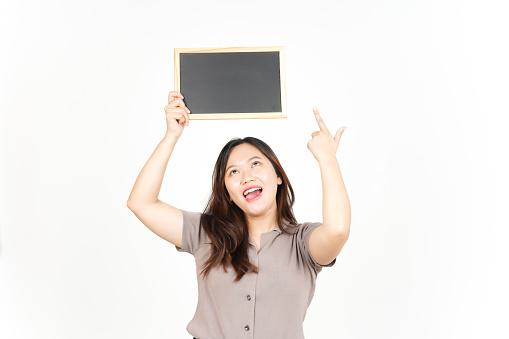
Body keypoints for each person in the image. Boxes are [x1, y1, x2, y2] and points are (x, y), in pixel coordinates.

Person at [127, 91, 351, 339]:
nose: (246, 177)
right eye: (233, 172)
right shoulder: (205, 232)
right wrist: (171, 136)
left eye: (255, 164)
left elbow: (338, 230)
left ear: (278, 176)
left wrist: (327, 159)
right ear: (229, 193)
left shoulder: (302, 243)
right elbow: (141, 204)